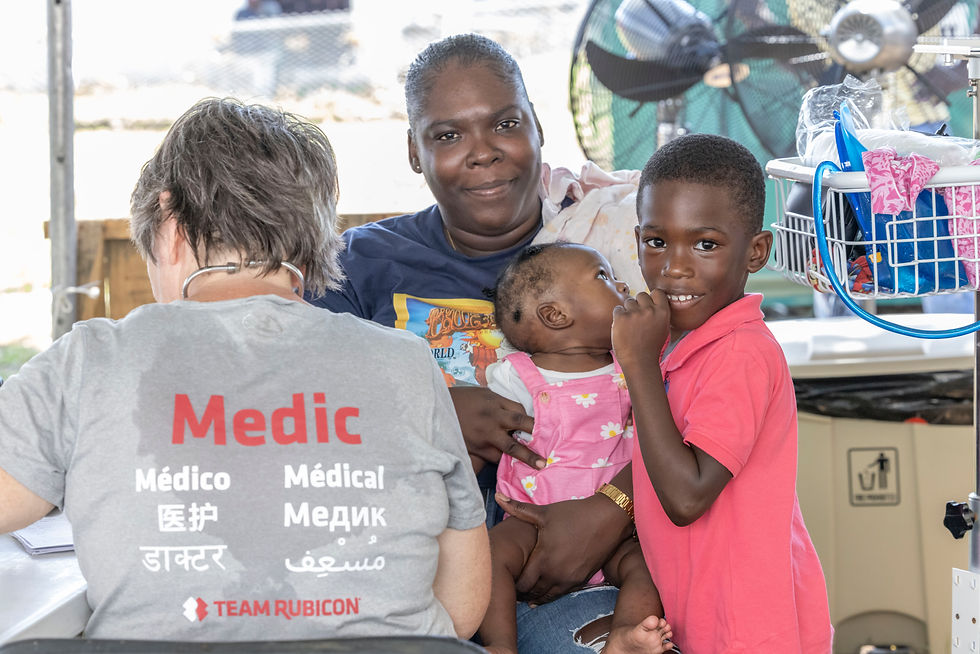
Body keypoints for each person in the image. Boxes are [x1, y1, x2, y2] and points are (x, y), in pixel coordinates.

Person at [0, 97, 490, 642]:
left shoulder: (91, 357)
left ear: (169, 226)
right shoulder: (405, 362)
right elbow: (462, 605)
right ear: (312, 234)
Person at [308, 33, 641, 652]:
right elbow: (293, 414)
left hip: (577, 580)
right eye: (447, 135)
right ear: (414, 151)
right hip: (407, 588)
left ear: (538, 126)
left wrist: (615, 506)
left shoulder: (603, 249)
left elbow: (699, 416)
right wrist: (423, 414)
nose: (483, 153)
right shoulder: (358, 267)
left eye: (504, 124)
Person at [611, 133, 833, 653]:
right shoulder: (678, 341)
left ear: (756, 251)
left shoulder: (741, 353)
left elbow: (688, 497)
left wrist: (638, 364)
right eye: (656, 241)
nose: (675, 267)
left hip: (753, 627)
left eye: (705, 244)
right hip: (703, 616)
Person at [479, 241, 675, 654]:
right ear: (556, 314)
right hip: (532, 521)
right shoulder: (518, 379)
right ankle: (499, 645)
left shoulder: (633, 363)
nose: (621, 282)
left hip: (621, 530)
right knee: (493, 552)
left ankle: (627, 634)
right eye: (602, 276)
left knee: (652, 566)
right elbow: (482, 430)